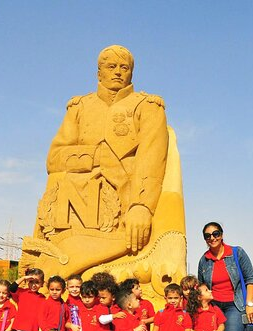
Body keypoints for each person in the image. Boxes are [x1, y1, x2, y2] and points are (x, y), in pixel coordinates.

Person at [23, 45, 169, 276]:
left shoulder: (147, 106)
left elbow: (151, 159)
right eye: (111, 67)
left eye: (124, 68)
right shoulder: (79, 107)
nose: (118, 72)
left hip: (125, 206)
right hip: (77, 211)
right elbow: (54, 159)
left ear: (132, 73)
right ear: (99, 73)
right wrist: (98, 157)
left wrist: (141, 206)